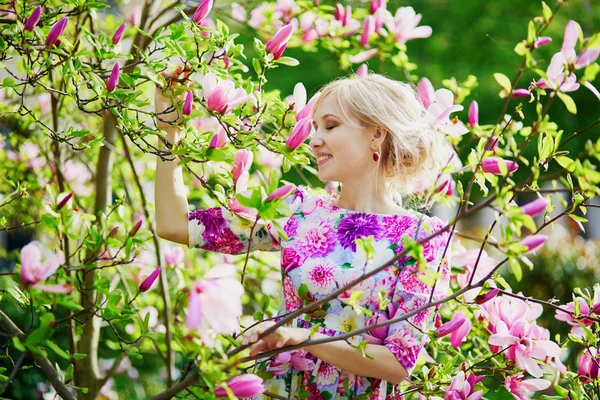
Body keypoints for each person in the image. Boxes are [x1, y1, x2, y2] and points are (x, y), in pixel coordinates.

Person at [155, 70, 453, 399]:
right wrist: (169, 131)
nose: (313, 140)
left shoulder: (423, 237)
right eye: (313, 128)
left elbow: (397, 363)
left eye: (330, 125)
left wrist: (302, 337)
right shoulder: (297, 211)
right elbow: (176, 224)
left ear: (376, 134)